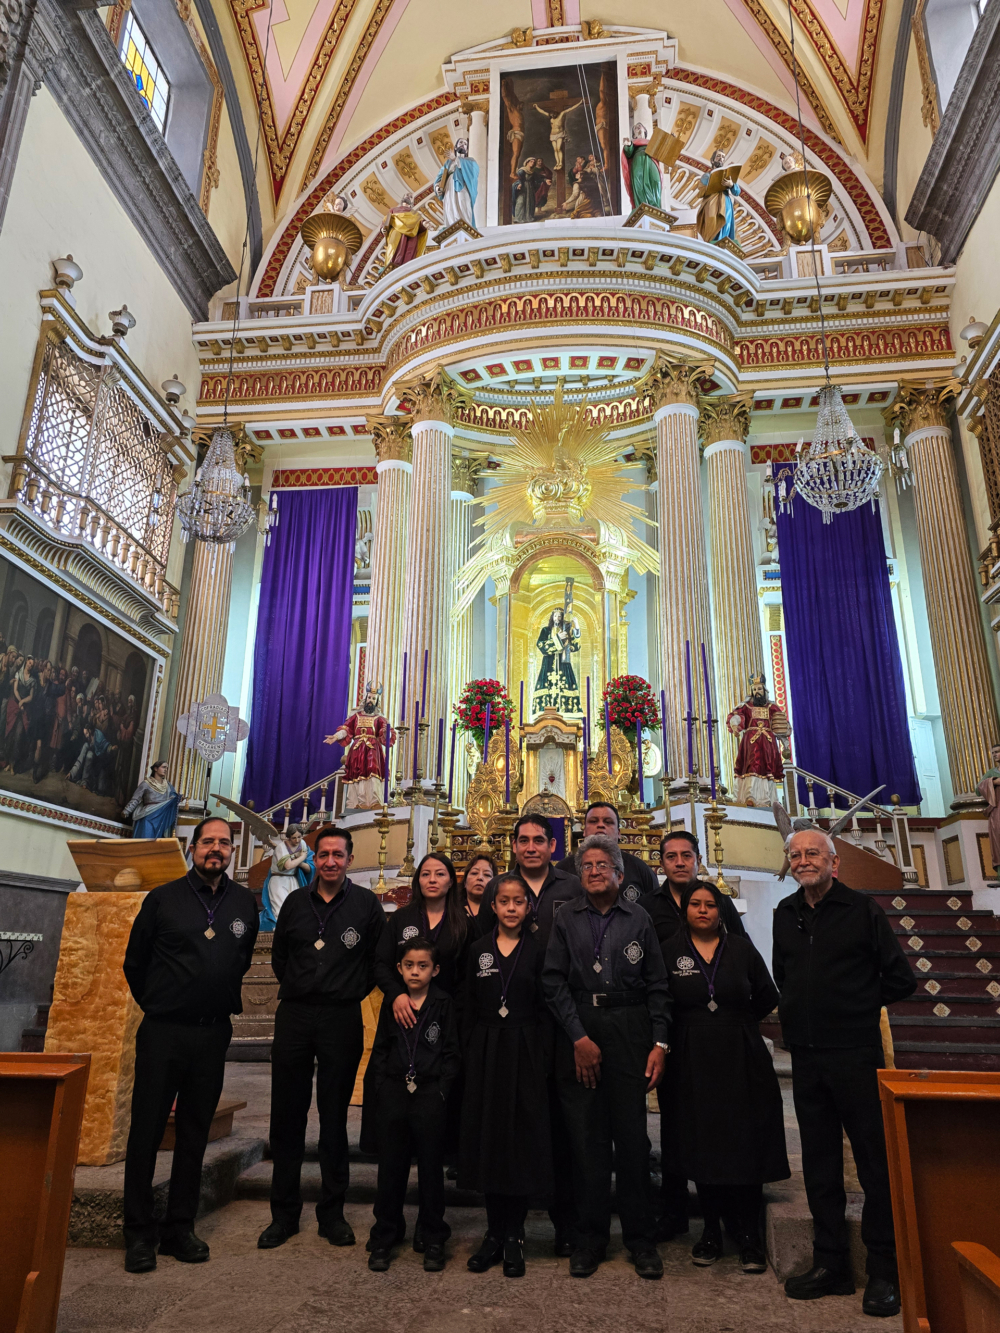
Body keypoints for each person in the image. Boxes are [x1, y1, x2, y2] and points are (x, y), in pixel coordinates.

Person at [774, 829, 916, 1317]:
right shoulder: (784, 915)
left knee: (875, 1166)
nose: (803, 860)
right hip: (808, 1057)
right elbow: (784, 976)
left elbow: (901, 978)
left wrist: (855, 1007)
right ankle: (830, 1263)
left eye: (813, 853)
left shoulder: (863, 910)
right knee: (819, 1165)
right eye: (795, 855)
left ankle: (884, 1270)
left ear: (834, 862)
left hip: (855, 1054)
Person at [121, 817, 258, 1273]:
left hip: (213, 1032)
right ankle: (139, 1232)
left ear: (232, 851)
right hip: (164, 1031)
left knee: (196, 1131)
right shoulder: (163, 898)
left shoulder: (244, 903)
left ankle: (180, 1226)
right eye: (208, 843)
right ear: (192, 848)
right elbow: (134, 962)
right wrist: (163, 1003)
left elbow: (238, 961)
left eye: (223, 843)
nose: (215, 849)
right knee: (147, 1131)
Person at [543, 833, 671, 1280]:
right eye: (587, 866)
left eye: (602, 865)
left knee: (633, 1141)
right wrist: (577, 1037)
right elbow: (553, 981)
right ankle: (589, 1239)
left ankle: (641, 1239)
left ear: (620, 873)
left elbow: (658, 984)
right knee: (587, 1141)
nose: (594, 872)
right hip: (582, 1028)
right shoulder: (566, 920)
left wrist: (659, 1042)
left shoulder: (638, 919)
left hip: (630, 1029)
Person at [259, 827, 386, 1251]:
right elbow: (280, 957)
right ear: (317, 858)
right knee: (287, 1117)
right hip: (294, 1015)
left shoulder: (366, 905)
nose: (331, 861)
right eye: (325, 854)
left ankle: (332, 1214)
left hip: (340, 1018)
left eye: (338, 854)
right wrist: (302, 986)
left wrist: (345, 990)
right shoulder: (295, 902)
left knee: (334, 1119)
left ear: (350, 859)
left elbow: (375, 961)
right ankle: (284, 1215)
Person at [660, 881, 789, 1273]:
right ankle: (711, 1230)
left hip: (739, 1052)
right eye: (696, 904)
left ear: (721, 912)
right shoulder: (669, 951)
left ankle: (748, 1234)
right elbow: (660, 999)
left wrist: (738, 1022)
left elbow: (767, 995)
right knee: (701, 1141)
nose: (702, 910)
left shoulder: (742, 950)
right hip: (690, 1055)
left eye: (710, 905)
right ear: (686, 911)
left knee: (744, 1138)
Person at [479, 814, 583, 1254]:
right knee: (508, 1127)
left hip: (559, 1023)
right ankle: (503, 1227)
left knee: (560, 1127)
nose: (531, 847)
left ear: (553, 846)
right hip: (512, 1025)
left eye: (540, 840)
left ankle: (565, 1225)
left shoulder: (572, 887)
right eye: (523, 840)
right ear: (514, 845)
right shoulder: (497, 887)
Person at [639, 828, 748, 1239]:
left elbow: (742, 954)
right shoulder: (649, 906)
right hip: (672, 1025)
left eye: (687, 855)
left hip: (716, 1030)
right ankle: (673, 1209)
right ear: (661, 863)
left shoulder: (717, 902)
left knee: (721, 1119)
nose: (679, 862)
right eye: (671, 856)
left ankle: (728, 1208)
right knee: (675, 1121)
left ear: (698, 860)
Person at [461, 874, 552, 1278]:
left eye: (518, 901)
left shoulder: (540, 950)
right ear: (492, 906)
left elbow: (548, 1006)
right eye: (504, 901)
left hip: (527, 1049)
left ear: (528, 907)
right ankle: (493, 1232)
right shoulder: (478, 949)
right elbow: (466, 1004)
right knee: (491, 1138)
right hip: (486, 1049)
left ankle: (515, 1233)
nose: (512, 908)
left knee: (519, 1141)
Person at [361, 937, 459, 1272]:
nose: (415, 972)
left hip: (430, 1095)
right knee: (391, 1168)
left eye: (423, 966)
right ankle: (386, 1233)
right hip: (395, 1094)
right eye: (408, 965)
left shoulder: (443, 1004)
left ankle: (433, 1235)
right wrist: (383, 1089)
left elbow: (451, 1053)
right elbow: (381, 1050)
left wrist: (442, 1091)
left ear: (435, 970)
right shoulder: (393, 1003)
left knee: (431, 1169)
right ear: (399, 969)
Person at [376, 853, 470, 1016]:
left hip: (447, 1013)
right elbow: (380, 963)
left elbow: (468, 976)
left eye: (440, 874)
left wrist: (452, 1009)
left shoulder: (464, 922)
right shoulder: (400, 918)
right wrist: (396, 995)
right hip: (402, 1010)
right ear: (418, 880)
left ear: (451, 881)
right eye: (425, 874)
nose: (432, 880)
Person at [558, 802, 657, 904]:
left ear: (619, 833)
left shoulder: (640, 870)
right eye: (593, 821)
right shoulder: (563, 869)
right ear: (584, 831)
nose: (600, 825)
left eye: (608, 822)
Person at [323, 681, 395, 811]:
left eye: (373, 698)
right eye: (369, 697)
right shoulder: (356, 716)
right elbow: (347, 729)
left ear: (377, 701)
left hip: (373, 751)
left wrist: (386, 732)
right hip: (357, 751)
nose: (370, 700)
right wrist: (336, 736)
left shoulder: (379, 718)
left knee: (373, 773)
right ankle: (357, 802)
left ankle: (374, 801)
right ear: (365, 698)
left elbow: (386, 733)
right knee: (357, 774)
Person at [726, 673, 790, 808]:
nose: (757, 692)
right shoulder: (746, 706)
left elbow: (781, 722)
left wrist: (784, 734)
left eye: (759, 689)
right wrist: (735, 724)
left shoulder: (771, 707)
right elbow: (736, 716)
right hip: (751, 743)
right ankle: (750, 796)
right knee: (752, 767)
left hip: (767, 743)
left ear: (764, 690)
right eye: (755, 690)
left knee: (768, 770)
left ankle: (769, 799)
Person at [260, 824, 314, 930]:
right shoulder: (282, 847)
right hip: (278, 881)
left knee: (297, 909)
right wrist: (302, 857)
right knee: (280, 909)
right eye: (294, 838)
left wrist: (298, 861)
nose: (297, 840)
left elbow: (309, 868)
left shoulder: (302, 844)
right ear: (288, 837)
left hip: (293, 880)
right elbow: (288, 866)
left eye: (299, 837)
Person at [123, 761, 181, 839]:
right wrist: (126, 811)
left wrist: (179, 798)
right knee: (146, 838)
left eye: (167, 768)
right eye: (163, 767)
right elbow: (135, 799)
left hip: (162, 817)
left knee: (158, 843)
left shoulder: (168, 786)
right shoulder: (146, 784)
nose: (166, 769)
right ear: (155, 768)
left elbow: (173, 799)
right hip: (148, 815)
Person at [697, 149, 741, 244]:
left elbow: (737, 192)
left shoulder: (728, 175)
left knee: (726, 222)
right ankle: (711, 240)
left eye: (723, 157)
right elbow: (701, 190)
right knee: (712, 220)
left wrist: (731, 184)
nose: (721, 159)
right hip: (711, 201)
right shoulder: (707, 175)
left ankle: (723, 241)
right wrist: (714, 183)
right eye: (718, 156)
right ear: (712, 160)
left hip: (725, 202)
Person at [434, 137, 479, 229]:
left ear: (466, 149)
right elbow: (439, 177)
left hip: (463, 188)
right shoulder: (448, 163)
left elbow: (474, 172)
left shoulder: (470, 161)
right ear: (455, 147)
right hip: (449, 188)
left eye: (465, 144)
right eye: (461, 142)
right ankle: (452, 226)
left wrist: (456, 159)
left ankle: (465, 226)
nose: (463, 144)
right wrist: (438, 187)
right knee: (450, 207)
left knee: (463, 205)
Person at [621, 124, 662, 211]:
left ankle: (655, 205)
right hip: (638, 160)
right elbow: (628, 154)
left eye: (640, 126)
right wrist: (628, 145)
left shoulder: (652, 143)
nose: (638, 127)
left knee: (655, 180)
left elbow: (664, 152)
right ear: (634, 134)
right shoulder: (634, 143)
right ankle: (641, 204)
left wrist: (670, 141)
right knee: (638, 181)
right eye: (635, 128)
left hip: (651, 160)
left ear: (645, 130)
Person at [460, 853, 497, 924]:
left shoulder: (499, 911)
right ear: (465, 882)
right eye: (474, 873)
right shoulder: (452, 909)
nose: (480, 878)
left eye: (487, 874)